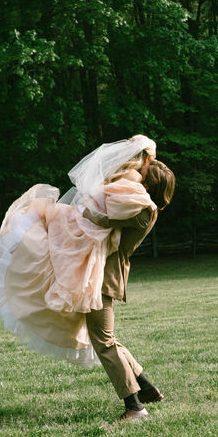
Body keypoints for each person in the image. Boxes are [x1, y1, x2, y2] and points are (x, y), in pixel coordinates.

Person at [0, 136, 158, 369]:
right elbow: (114, 216)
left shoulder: (114, 175)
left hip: (80, 226)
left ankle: (138, 392)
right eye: (152, 159)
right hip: (90, 238)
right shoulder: (134, 182)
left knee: (98, 331)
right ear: (146, 158)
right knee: (102, 334)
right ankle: (137, 394)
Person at [82, 159, 176, 422]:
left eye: (141, 173)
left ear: (149, 184)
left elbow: (103, 218)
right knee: (107, 337)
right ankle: (145, 388)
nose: (133, 175)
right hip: (103, 271)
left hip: (104, 274)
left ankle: (134, 407)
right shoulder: (142, 205)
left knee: (104, 342)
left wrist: (84, 210)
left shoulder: (142, 209)